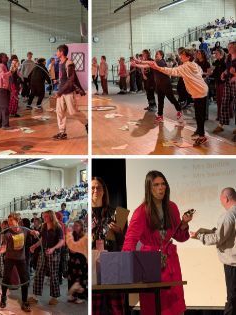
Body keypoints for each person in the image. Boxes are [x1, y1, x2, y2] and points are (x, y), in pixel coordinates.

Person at [122, 170, 192, 315]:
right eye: (156, 185)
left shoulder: (172, 207)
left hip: (171, 262)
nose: (161, 188)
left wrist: (184, 224)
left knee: (174, 305)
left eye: (163, 184)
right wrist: (124, 266)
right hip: (150, 263)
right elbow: (130, 240)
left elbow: (179, 236)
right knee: (154, 306)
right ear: (149, 188)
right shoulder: (141, 211)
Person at [142, 48, 210, 145]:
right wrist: (195, 77)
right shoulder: (194, 64)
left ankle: (202, 136)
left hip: (199, 92)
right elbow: (200, 71)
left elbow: (171, 71)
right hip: (200, 90)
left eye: (182, 55)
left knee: (199, 114)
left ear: (188, 57)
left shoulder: (185, 66)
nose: (180, 56)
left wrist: (157, 68)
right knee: (199, 114)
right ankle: (200, 131)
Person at [191, 187, 236, 314]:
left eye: (221, 200)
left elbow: (218, 237)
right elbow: (228, 234)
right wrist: (208, 231)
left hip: (233, 264)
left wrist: (199, 236)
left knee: (232, 299)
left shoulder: (228, 216)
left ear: (226, 198)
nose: (221, 203)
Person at [52, 44, 88, 141]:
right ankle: (62, 132)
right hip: (61, 91)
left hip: (68, 92)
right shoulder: (60, 63)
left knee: (73, 112)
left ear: (61, 52)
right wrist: (58, 81)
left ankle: (86, 122)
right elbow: (63, 78)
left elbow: (71, 80)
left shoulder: (69, 63)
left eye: (57, 51)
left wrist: (60, 92)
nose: (56, 53)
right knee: (60, 112)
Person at [30, 210, 65, 306]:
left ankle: (55, 297)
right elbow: (42, 239)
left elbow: (61, 241)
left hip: (54, 254)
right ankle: (35, 296)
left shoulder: (58, 227)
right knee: (39, 273)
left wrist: (53, 249)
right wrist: (34, 246)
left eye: (45, 216)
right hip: (43, 252)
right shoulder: (44, 226)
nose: (44, 218)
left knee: (53, 275)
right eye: (43, 216)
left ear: (51, 217)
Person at [0, 213, 30, 312]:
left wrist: (35, 232)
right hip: (10, 258)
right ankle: (3, 297)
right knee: (6, 278)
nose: (9, 223)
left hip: (21, 259)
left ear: (17, 220)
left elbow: (33, 233)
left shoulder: (25, 230)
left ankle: (24, 301)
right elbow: (4, 245)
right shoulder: (7, 232)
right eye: (8, 221)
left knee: (24, 280)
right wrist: (1, 250)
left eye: (11, 220)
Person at [65, 220, 87, 304]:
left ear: (81, 227)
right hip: (72, 259)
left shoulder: (84, 236)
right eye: (74, 225)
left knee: (81, 278)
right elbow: (70, 247)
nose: (75, 227)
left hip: (81, 260)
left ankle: (81, 296)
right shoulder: (72, 235)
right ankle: (73, 295)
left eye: (77, 225)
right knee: (71, 277)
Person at [0, 53, 12, 129]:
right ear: (1, 58)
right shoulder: (0, 66)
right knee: (4, 106)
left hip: (3, 87)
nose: (7, 58)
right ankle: (5, 125)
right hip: (0, 87)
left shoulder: (4, 66)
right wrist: (11, 72)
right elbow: (3, 75)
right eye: (5, 57)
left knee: (1, 106)